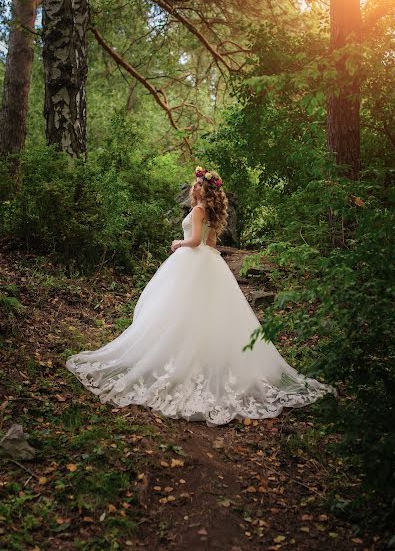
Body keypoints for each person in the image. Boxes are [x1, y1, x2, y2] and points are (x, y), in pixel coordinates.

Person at [66, 166, 336, 426]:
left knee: (180, 312)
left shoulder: (197, 210)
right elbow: (210, 243)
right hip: (208, 263)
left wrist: (178, 243)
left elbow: (195, 241)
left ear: (200, 190)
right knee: (203, 314)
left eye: (196, 184)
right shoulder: (210, 212)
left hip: (191, 260)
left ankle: (179, 361)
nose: (193, 187)